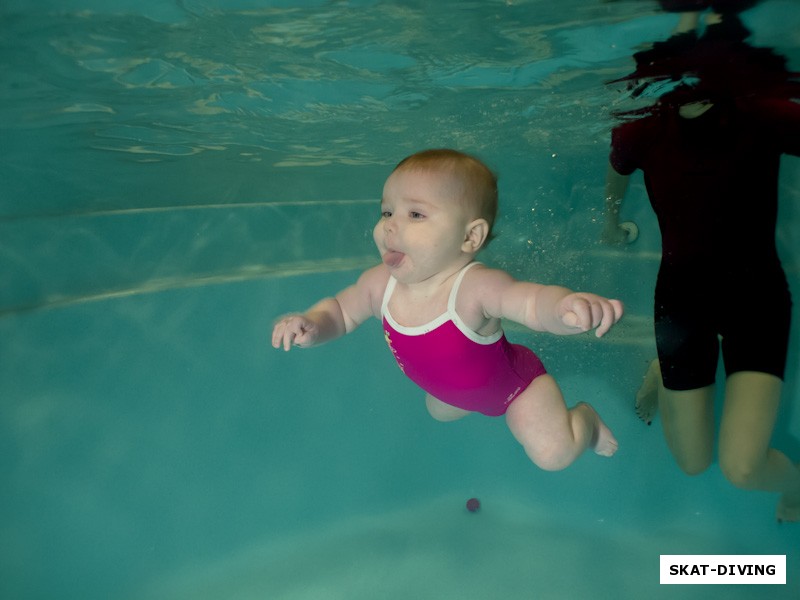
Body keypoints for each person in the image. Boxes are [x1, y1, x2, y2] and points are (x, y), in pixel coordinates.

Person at [273, 149, 622, 471]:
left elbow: (530, 302)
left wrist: (563, 308)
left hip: (515, 388)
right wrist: (313, 325)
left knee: (553, 454)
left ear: (470, 237)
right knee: (438, 410)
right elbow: (340, 311)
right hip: (452, 392)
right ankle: (463, 399)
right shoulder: (379, 284)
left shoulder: (475, 287)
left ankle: (586, 421)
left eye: (415, 214)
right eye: (386, 211)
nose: (390, 225)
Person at [603, 18, 800, 521]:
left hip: (755, 297)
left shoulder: (761, 110)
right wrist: (609, 220)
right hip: (682, 301)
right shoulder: (643, 124)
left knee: (743, 468)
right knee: (692, 463)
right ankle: (660, 371)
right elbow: (618, 168)